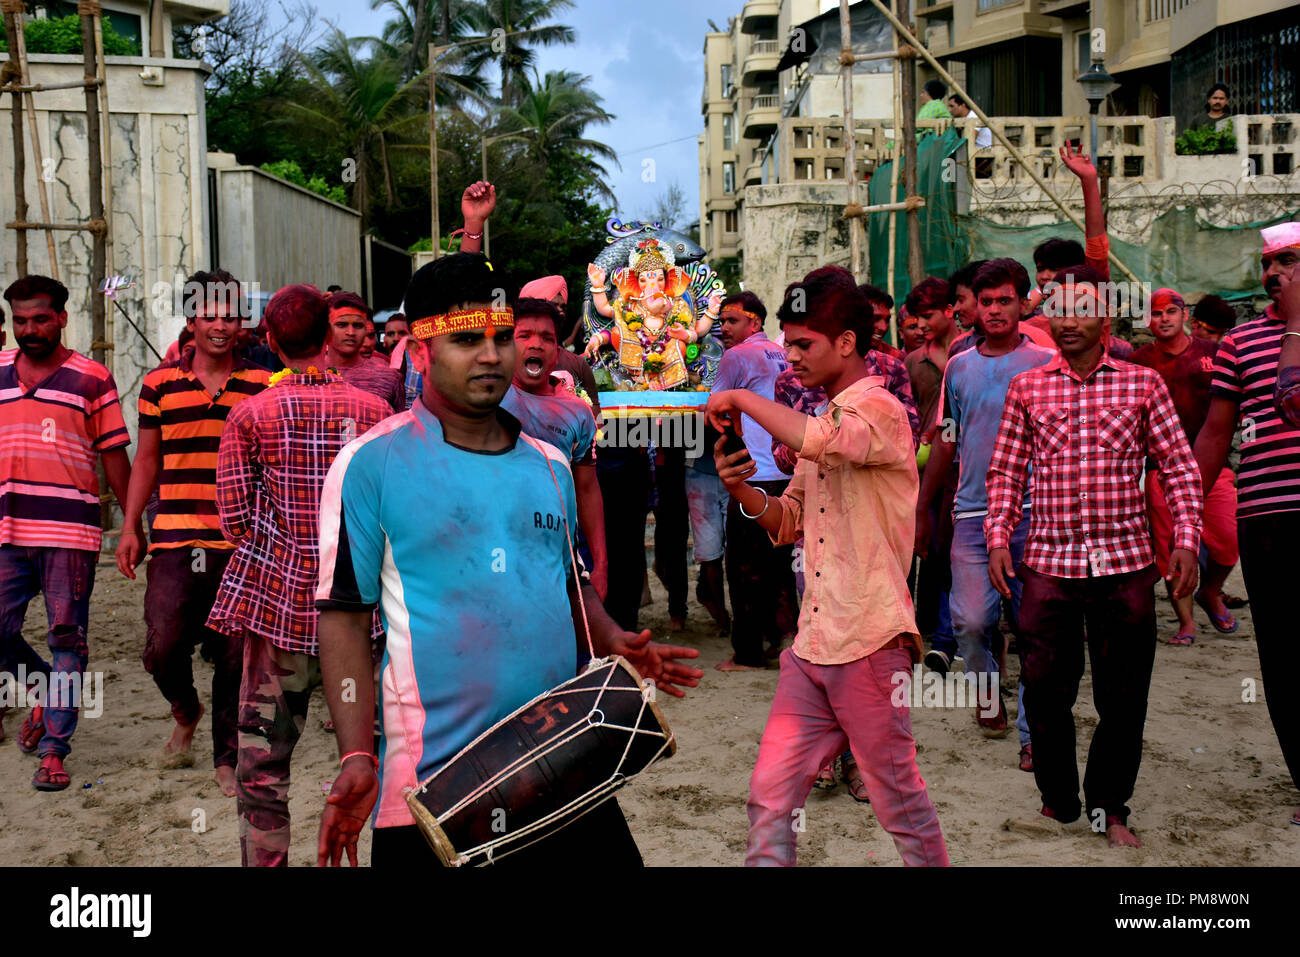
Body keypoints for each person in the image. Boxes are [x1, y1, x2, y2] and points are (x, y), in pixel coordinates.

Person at [312, 252, 702, 867]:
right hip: (435, 790)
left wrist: (611, 638)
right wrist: (358, 757)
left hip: (566, 759)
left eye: (500, 338)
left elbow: (568, 580)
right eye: (467, 340)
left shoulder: (549, 465)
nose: (492, 356)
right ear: (419, 352)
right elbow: (342, 617)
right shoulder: (370, 465)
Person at [708, 267, 948, 867]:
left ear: (846, 342)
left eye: (802, 344)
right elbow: (789, 519)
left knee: (897, 800)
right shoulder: (831, 416)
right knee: (769, 797)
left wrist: (739, 395)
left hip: (868, 640)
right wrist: (742, 492)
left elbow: (820, 440)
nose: (790, 357)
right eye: (786, 343)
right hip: (813, 642)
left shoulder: (879, 410)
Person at [987, 265, 1202, 848]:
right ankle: (1058, 803)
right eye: (1058, 310)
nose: (1068, 322)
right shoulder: (1028, 389)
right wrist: (998, 538)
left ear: (1106, 319)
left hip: (1126, 565)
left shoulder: (1141, 385)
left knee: (1123, 693)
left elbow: (1179, 468)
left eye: (1081, 310)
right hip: (1048, 566)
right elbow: (1006, 471)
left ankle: (1112, 807)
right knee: (1044, 689)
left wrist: (1185, 538)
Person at [205, 283, 393, 866]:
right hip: (364, 623)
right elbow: (391, 516)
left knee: (261, 769)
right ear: (328, 333)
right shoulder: (377, 413)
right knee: (378, 762)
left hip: (278, 615)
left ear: (269, 339)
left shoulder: (250, 414)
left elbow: (234, 520)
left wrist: (283, 542)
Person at [116, 269, 272, 796]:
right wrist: (130, 526)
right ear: (191, 320)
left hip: (240, 540)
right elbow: (146, 462)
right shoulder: (159, 384)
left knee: (233, 655)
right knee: (162, 645)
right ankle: (186, 711)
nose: (222, 325)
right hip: (175, 536)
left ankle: (225, 758)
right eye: (211, 314)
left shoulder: (261, 385)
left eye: (231, 315)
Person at [915, 259, 1054, 769]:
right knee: (971, 622)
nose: (995, 310)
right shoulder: (960, 366)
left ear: (1022, 304)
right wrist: (924, 507)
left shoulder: (1045, 361)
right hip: (973, 513)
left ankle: (1032, 733)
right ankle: (986, 688)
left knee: (1036, 628)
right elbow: (947, 442)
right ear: (974, 307)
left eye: (1005, 300)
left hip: (1036, 513)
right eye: (987, 301)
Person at [0, 276, 132, 789]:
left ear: (61, 318)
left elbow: (114, 456)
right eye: (20, 320)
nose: (29, 329)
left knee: (67, 640)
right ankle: (46, 692)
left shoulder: (91, 378)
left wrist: (131, 526)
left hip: (70, 532)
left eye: (39, 319)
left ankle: (54, 751)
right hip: (6, 529)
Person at [1193, 221, 1300, 828]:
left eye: (1288, 260)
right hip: (1266, 519)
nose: (1273, 272)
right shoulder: (1241, 343)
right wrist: (1188, 509)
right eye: (1268, 262)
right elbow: (1216, 432)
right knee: (1283, 658)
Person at [1129, 288, 1239, 645]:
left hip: (1212, 466)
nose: (1163, 318)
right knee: (1170, 548)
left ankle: (1211, 591)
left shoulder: (1214, 354)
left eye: (1170, 311)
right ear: (1147, 320)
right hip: (1161, 470)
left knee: (1229, 541)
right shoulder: (1138, 362)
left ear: (1185, 317)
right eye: (1156, 313)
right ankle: (1186, 622)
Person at [500, 297, 608, 600]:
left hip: (557, 554)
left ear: (557, 349)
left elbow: (587, 488)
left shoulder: (577, 412)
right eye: (524, 336)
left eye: (547, 338)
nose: (536, 345)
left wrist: (600, 563)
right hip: (492, 550)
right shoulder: (488, 394)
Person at [711, 292, 797, 671]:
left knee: (744, 569)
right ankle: (784, 639)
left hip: (754, 477)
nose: (724, 328)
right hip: (788, 475)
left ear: (755, 323)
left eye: (732, 321)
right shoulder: (783, 354)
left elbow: (714, 410)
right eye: (722, 321)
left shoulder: (736, 357)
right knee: (781, 567)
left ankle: (747, 653)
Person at [518, 275, 601, 414]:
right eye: (553, 305)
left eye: (563, 306)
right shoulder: (508, 364)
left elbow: (596, 423)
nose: (560, 311)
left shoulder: (577, 365)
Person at [325, 292, 404, 413]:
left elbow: (399, 428)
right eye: (342, 325)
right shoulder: (306, 375)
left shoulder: (389, 378)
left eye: (358, 325)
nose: (350, 332)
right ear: (326, 328)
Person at [861, 286, 905, 359]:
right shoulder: (839, 355)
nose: (884, 328)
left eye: (887, 320)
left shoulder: (895, 358)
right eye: (876, 319)